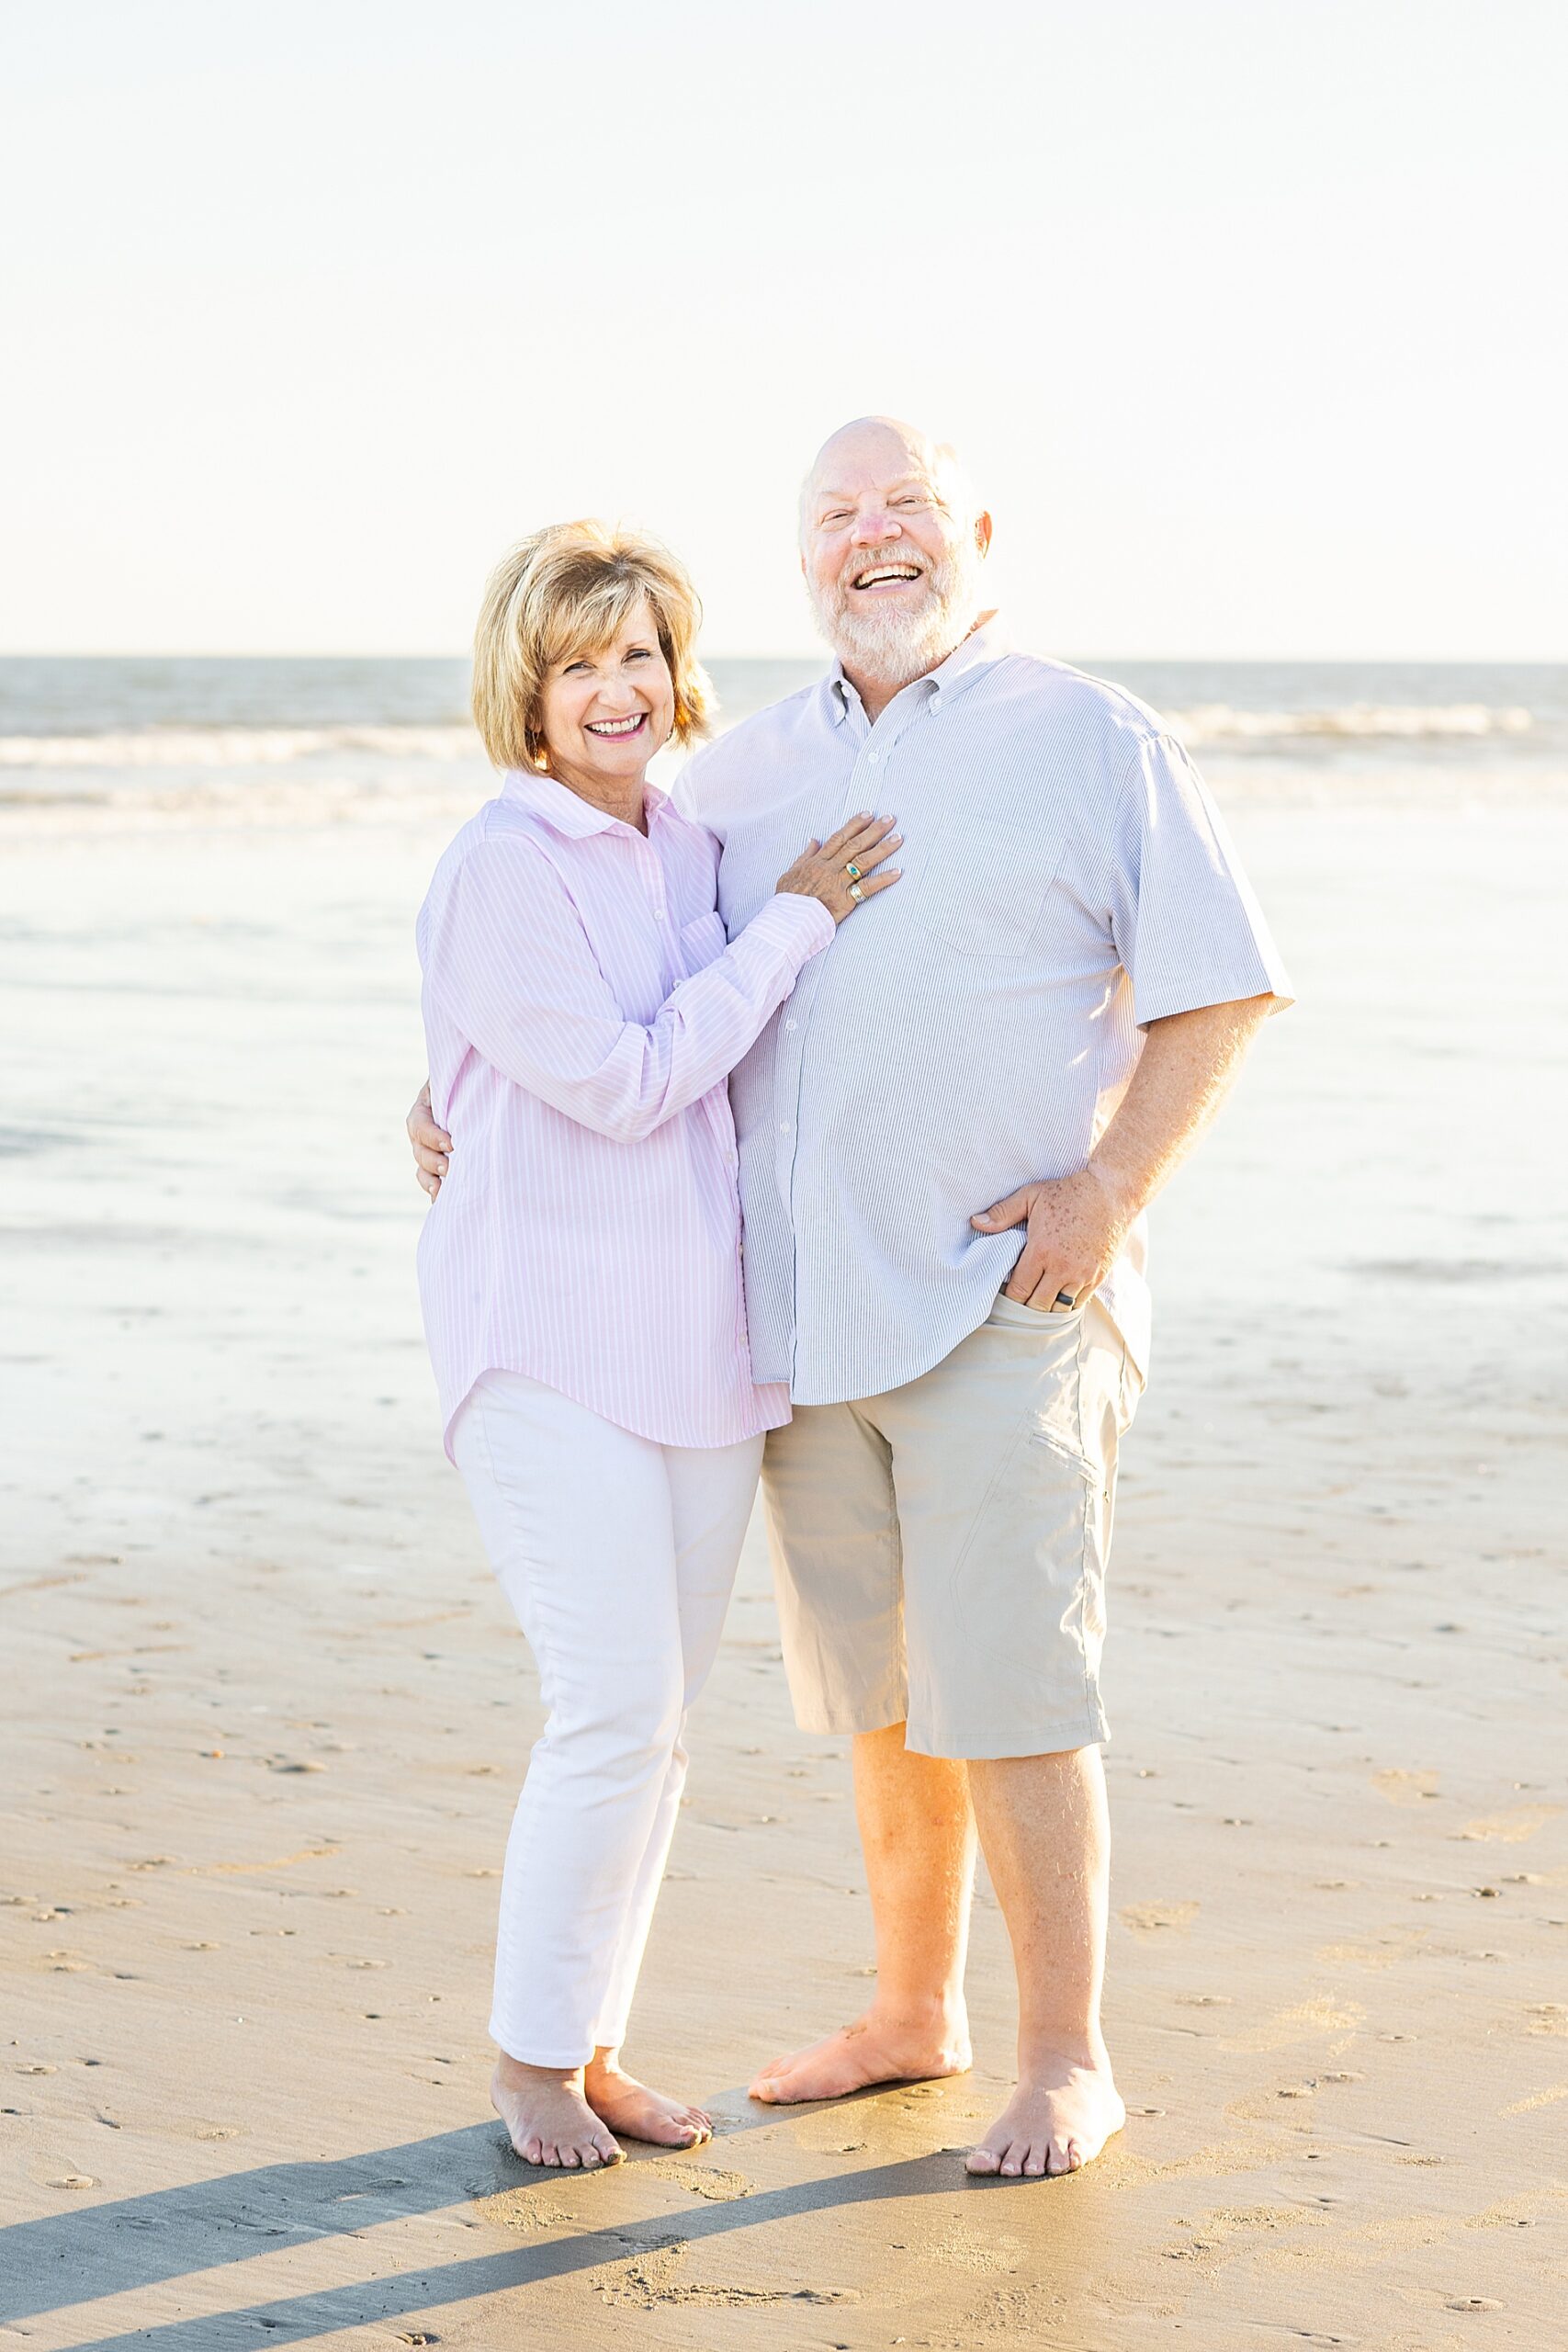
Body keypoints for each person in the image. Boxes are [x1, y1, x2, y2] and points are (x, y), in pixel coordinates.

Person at [412, 419, 1292, 2180]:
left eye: (905, 506)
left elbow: (1226, 985)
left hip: (999, 1294)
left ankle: (1066, 2059)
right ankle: (914, 2014)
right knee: (882, 1698)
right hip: (797, 1328)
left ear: (974, 529)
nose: (873, 538)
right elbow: (581, 963)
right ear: (802, 560)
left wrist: (1109, 1191)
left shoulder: (1088, 734)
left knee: (1020, 1695)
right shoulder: (731, 780)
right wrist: (453, 1087)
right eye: (836, 515)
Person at [415, 516, 901, 2170]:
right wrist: (804, 920)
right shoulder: (503, 862)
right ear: (526, 694)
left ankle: (593, 2034)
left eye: (637, 656)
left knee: (660, 1721)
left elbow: (722, 1064)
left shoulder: (688, 846)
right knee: (610, 1703)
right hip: (546, 1342)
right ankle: (531, 2061)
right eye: (576, 664)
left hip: (700, 1343)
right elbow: (626, 1081)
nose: (614, 689)